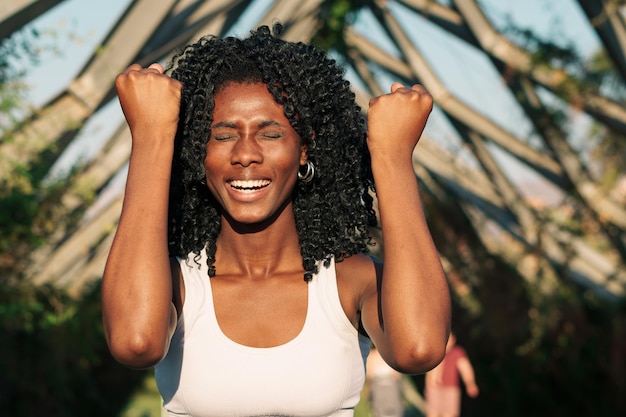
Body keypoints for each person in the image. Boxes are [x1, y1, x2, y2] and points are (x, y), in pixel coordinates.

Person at [102, 23, 450, 417]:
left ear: (305, 150)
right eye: (222, 135)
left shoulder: (349, 282)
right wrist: (151, 136)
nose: (246, 154)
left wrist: (391, 157)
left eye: (270, 135)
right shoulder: (178, 285)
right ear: (197, 151)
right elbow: (134, 342)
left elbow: (419, 348)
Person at [424, 333, 479, 417]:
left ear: (454, 340)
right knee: (433, 414)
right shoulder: (436, 352)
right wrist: (429, 386)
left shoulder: (457, 353)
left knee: (449, 414)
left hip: (451, 390)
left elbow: (465, 368)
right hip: (434, 389)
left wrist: (470, 383)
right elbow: (430, 372)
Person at [366, 345, 405, 417]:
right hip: (391, 388)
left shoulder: (371, 355)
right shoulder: (392, 354)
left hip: (379, 387)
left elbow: (369, 375)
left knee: (379, 412)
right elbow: (397, 375)